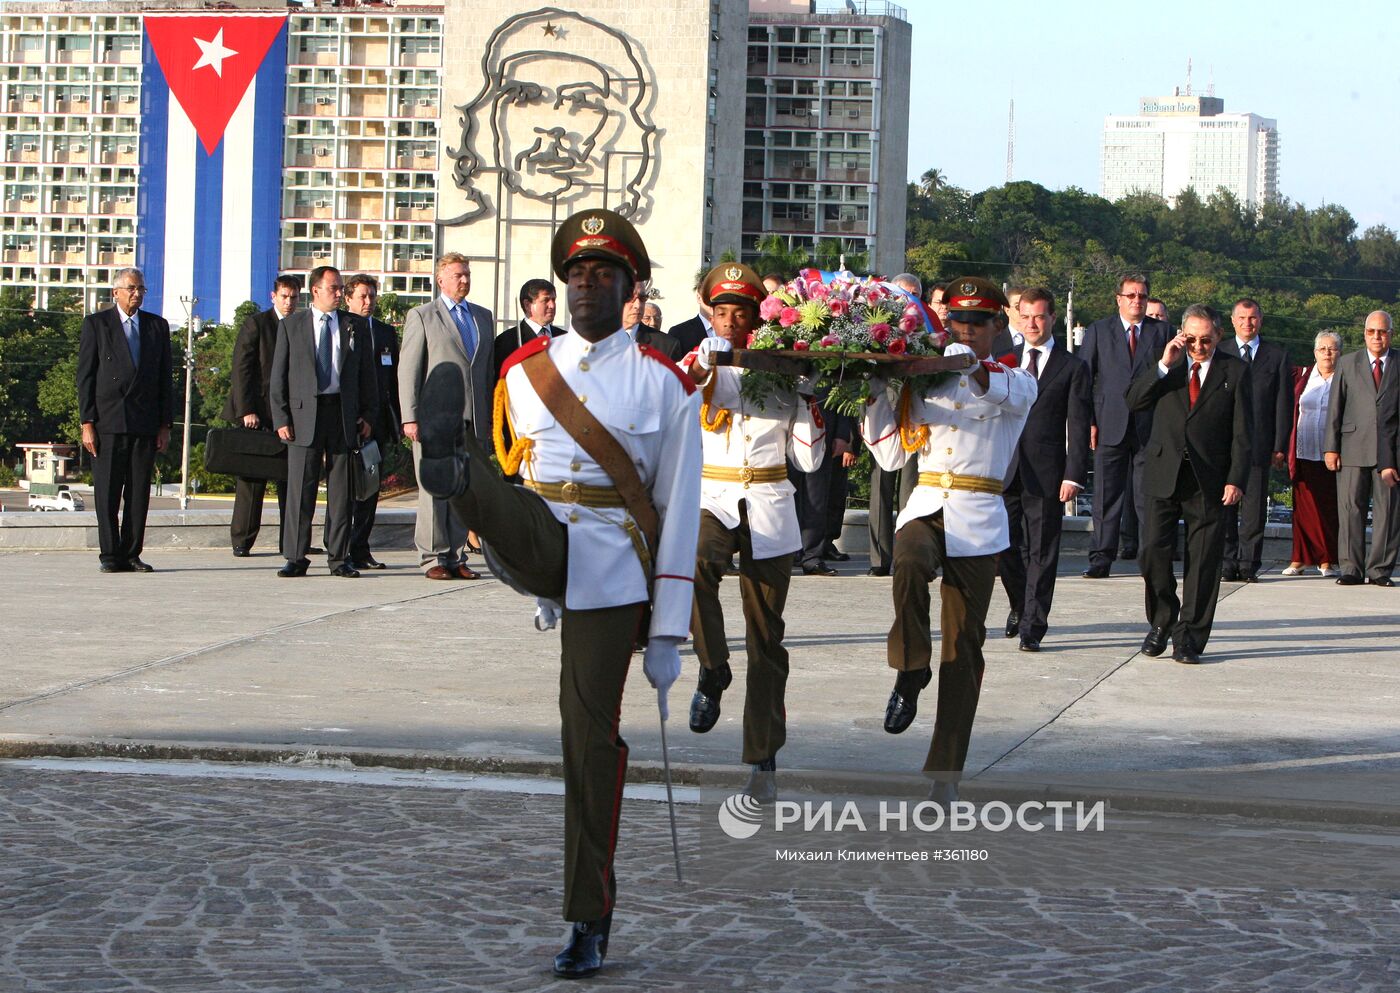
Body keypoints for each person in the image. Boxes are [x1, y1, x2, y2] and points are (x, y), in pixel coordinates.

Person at [411, 208, 701, 980]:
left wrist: (668, 632)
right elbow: (524, 465)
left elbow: (676, 513)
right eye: (575, 274)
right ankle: (449, 465)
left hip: (612, 563)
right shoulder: (522, 370)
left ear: (629, 288)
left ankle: (587, 915)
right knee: (488, 481)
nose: (584, 286)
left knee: (587, 736)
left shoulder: (664, 384)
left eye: (601, 275)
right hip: (535, 528)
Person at [862, 276, 1035, 803]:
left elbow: (999, 388)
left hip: (979, 519)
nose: (964, 330)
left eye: (977, 324)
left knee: (964, 648)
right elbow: (891, 457)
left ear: (996, 328)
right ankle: (910, 669)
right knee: (908, 557)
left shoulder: (1015, 378)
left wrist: (970, 364)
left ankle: (945, 772)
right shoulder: (925, 379)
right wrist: (875, 391)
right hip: (929, 502)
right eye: (957, 322)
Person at [680, 262, 825, 803]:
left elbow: (808, 461)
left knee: (766, 636)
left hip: (767, 501)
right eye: (721, 312)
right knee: (691, 566)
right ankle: (713, 669)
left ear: (755, 317)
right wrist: (694, 375)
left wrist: (808, 396)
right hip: (713, 495)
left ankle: (763, 758)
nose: (730, 321)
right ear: (710, 314)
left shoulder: (781, 367)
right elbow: (671, 407)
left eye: (740, 312)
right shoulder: (697, 361)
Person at [1127, 304, 1250, 664]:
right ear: (1182, 334)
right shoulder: (1165, 361)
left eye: (1206, 340)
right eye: (1192, 339)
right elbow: (1133, 400)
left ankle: (1189, 639)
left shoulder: (1236, 372)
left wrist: (1236, 479)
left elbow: (1244, 433)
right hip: (1163, 473)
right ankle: (1163, 620)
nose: (1198, 346)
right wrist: (1166, 364)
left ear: (1218, 337)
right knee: (1151, 551)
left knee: (1203, 564)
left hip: (1208, 479)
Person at [269, 266, 378, 579]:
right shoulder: (292, 325)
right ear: (315, 291)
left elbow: (366, 376)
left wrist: (369, 415)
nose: (340, 294)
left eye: (342, 288)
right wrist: (281, 418)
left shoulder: (353, 325)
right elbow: (278, 377)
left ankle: (339, 557)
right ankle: (295, 555)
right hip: (303, 416)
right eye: (334, 288)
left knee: (342, 492)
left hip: (342, 415)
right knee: (300, 490)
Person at [998, 288, 1091, 652]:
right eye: (1026, 316)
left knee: (1042, 550)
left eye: (1039, 316)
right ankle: (1021, 604)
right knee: (1003, 547)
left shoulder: (1072, 367)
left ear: (1053, 318)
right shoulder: (1004, 360)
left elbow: (1079, 425)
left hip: (1048, 473)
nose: (1032, 323)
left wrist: (1074, 474)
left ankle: (1033, 625)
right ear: (1017, 317)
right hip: (1004, 468)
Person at [398, 252, 495, 581]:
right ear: (441, 280)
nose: (464, 280)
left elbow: (486, 373)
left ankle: (455, 555)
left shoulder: (482, 317)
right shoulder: (423, 316)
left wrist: (490, 417)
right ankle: (432, 557)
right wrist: (410, 417)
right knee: (434, 490)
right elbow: (408, 369)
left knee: (462, 489)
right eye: (457, 275)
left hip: (472, 421)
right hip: (434, 420)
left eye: (467, 274)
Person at [76, 267, 173, 573]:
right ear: (115, 292)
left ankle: (132, 552)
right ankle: (110, 554)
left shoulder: (157, 327)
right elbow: (86, 377)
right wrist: (86, 422)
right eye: (131, 288)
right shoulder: (97, 324)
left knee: (138, 491)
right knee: (107, 492)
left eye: (141, 289)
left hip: (144, 422)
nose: (137, 294)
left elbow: (164, 380)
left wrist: (164, 424)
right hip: (107, 422)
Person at [1080, 274, 1171, 577]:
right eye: (1131, 295)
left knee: (1147, 497)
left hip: (1150, 426)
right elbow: (1085, 380)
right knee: (1106, 494)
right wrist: (1089, 422)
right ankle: (1100, 558)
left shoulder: (1163, 332)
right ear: (1118, 298)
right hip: (1109, 423)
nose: (1137, 301)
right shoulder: (1098, 331)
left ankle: (1150, 559)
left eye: (1142, 296)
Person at [1217, 299, 1292, 582]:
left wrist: (1279, 446)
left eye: (1253, 318)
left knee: (1254, 509)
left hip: (1260, 444)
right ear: (1233, 320)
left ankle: (1248, 565)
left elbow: (1283, 405)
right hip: (1224, 445)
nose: (1247, 323)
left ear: (1260, 320)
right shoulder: (1220, 352)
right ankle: (1226, 562)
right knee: (1225, 507)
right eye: (1242, 318)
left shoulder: (1277, 356)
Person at [225, 275, 299, 557]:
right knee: (252, 481)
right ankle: (242, 539)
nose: (289, 302)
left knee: (289, 481)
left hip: (288, 414)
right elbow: (241, 370)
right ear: (273, 296)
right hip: (256, 414)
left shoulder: (300, 325)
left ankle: (290, 541)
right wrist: (247, 410)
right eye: (284, 296)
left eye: (293, 297)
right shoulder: (256, 324)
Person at [867, 273, 925, 577]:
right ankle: (879, 559)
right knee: (880, 485)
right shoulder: (878, 325)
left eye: (915, 294)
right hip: (884, 410)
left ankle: (907, 553)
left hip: (913, 415)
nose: (909, 298)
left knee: (910, 488)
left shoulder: (925, 329)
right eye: (904, 293)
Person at [1336, 311, 1399, 585]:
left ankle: (1380, 570)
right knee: (1350, 509)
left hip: (1391, 453)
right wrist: (1331, 448)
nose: (1377, 336)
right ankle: (1351, 568)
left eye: (1382, 332)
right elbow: (1335, 409)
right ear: (1364, 333)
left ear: (1391, 335)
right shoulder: (1348, 363)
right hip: (1352, 447)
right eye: (1372, 331)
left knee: (1388, 513)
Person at [342, 274, 400, 571]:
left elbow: (393, 379)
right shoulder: (340, 328)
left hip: (377, 423)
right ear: (348, 297)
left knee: (370, 487)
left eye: (372, 296)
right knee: (346, 489)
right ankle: (341, 547)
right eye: (362, 296)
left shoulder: (385, 332)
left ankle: (361, 547)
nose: (368, 302)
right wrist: (356, 417)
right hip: (345, 423)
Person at [1282, 331, 1341, 577]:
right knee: (1303, 508)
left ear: (1340, 352)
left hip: (1332, 454)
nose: (1327, 353)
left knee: (1328, 508)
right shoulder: (1302, 376)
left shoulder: (1345, 379)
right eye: (1322, 348)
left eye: (1333, 348)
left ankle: (1327, 560)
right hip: (1303, 450)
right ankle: (1299, 559)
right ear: (1315, 352)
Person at [493, 278, 564, 381]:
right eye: (545, 300)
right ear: (527, 305)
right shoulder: (507, 341)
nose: (552, 305)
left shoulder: (564, 337)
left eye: (553, 299)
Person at [625, 279, 684, 359]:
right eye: (631, 297)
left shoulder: (667, 345)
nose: (638, 305)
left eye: (642, 298)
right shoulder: (602, 339)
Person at [666, 267, 714, 353]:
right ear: (699, 298)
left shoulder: (736, 330)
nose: (713, 301)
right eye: (708, 296)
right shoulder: (679, 333)